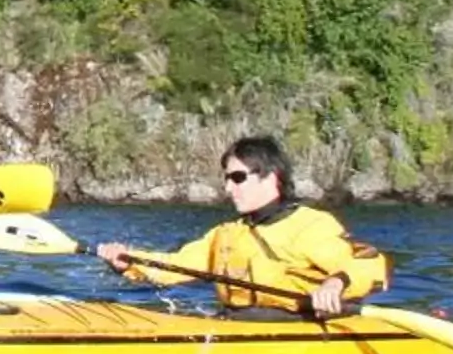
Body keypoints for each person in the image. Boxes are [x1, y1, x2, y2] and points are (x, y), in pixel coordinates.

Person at [95, 135, 389, 318]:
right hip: (235, 322)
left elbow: (370, 264)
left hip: (296, 328)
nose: (227, 187)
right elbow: (175, 266)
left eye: (237, 178)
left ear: (270, 178)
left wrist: (335, 284)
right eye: (225, 179)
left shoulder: (310, 225)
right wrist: (128, 262)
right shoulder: (226, 234)